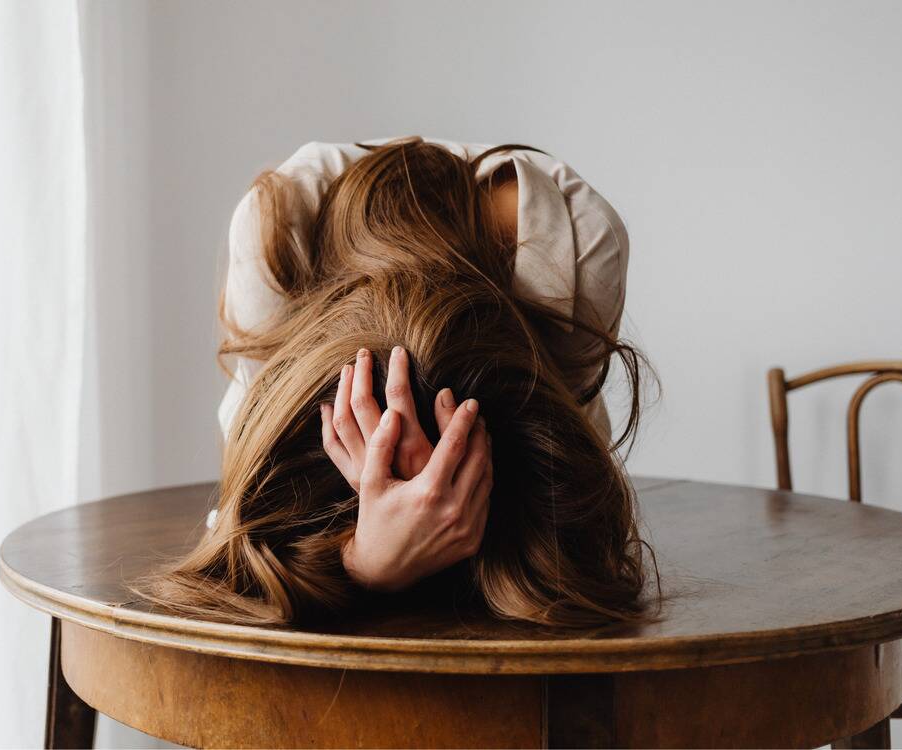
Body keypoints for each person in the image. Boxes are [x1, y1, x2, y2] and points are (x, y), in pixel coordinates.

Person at [136, 136, 651, 627]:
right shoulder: (275, 234)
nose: (422, 490)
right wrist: (362, 561)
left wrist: (466, 504)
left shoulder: (572, 251)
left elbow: (582, 554)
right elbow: (237, 537)